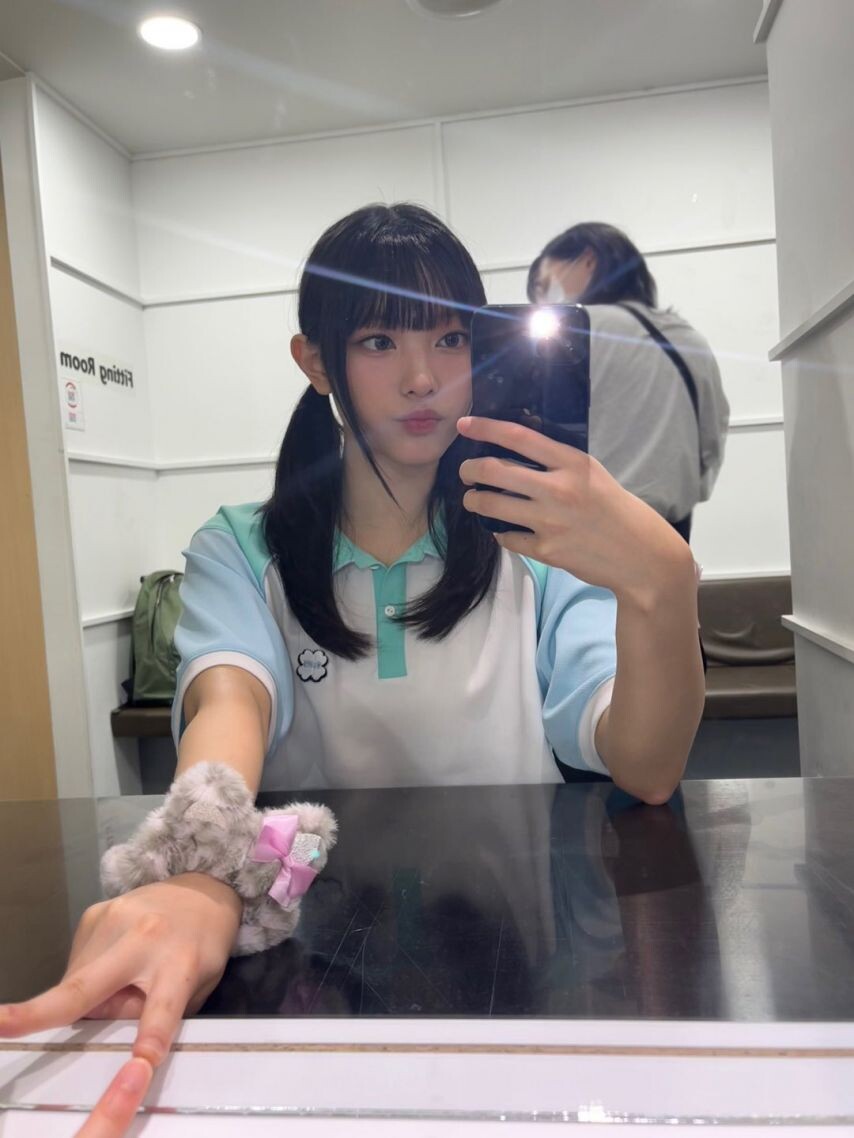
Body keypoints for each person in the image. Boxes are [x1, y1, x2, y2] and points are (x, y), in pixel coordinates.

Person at [0, 203, 705, 1137]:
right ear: (317, 362)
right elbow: (227, 704)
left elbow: (645, 765)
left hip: (512, 981)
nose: (422, 377)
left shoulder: (539, 545)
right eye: (378, 341)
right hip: (302, 977)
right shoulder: (241, 549)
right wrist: (196, 871)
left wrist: (664, 581)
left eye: (450, 338)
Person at [528, 222, 730, 542]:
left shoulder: (572, 334)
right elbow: (711, 443)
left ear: (588, 260)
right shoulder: (689, 339)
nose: (541, 300)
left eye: (544, 285)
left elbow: (533, 437)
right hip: (670, 533)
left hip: (583, 527)